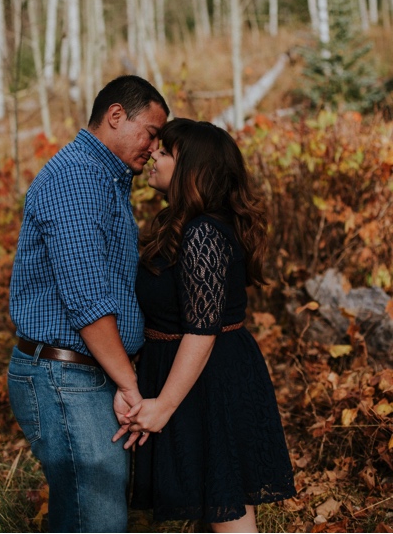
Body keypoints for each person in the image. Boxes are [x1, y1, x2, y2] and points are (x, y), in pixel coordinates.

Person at [115, 118, 296, 531]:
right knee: (215, 513)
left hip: (210, 382)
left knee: (228, 515)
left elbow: (202, 330)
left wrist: (163, 406)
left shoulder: (203, 234)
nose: (153, 157)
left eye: (165, 152)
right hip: (192, 377)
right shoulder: (181, 226)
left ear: (192, 169)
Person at [7, 75, 169, 532]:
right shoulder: (78, 179)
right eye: (150, 133)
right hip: (65, 375)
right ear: (116, 116)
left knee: (88, 511)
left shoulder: (106, 178)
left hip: (84, 372)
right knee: (96, 518)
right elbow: (87, 302)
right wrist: (130, 384)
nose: (154, 148)